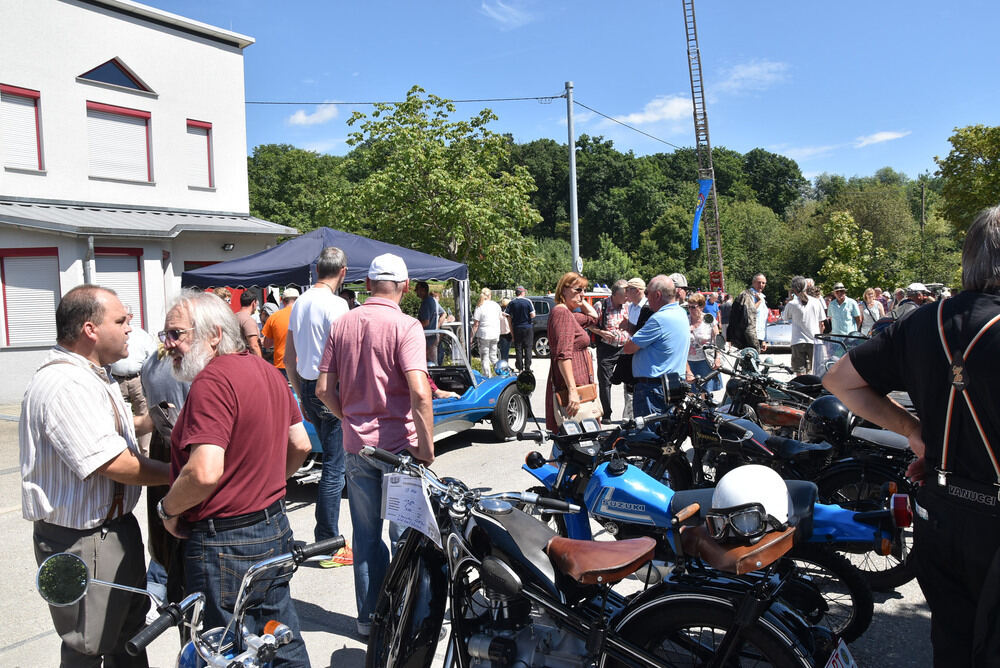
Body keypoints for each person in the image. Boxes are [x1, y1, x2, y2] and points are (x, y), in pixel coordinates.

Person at [822, 205, 1000, 667]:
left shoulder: (923, 321)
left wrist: (916, 434)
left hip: (940, 513)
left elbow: (839, 381)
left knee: (953, 642)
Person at [157, 290, 312, 667]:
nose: (168, 345)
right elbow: (301, 444)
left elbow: (204, 471)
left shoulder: (212, 382)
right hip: (271, 527)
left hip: (224, 540)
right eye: (166, 335)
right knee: (277, 635)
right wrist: (262, 483)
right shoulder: (263, 370)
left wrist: (168, 509)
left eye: (177, 334)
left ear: (213, 335)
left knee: (227, 649)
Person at [20, 285, 169, 667]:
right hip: (84, 540)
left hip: (109, 532)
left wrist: (150, 419)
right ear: (90, 329)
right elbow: (114, 463)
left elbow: (104, 433)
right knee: (89, 643)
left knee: (127, 635)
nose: (130, 329)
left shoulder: (89, 375)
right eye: (120, 321)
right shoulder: (67, 384)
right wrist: (181, 476)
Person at [315, 253, 434, 638]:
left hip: (357, 447)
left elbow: (321, 390)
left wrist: (348, 417)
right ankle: (406, 620)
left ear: (367, 285)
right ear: (402, 286)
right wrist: (427, 447)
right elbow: (420, 392)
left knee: (366, 537)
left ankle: (368, 620)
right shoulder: (407, 326)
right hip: (399, 449)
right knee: (406, 538)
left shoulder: (343, 324)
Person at [285, 247, 354, 568]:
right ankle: (328, 542)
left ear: (316, 271)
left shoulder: (299, 302)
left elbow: (289, 358)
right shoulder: (337, 304)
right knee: (334, 469)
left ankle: (327, 538)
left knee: (331, 462)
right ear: (342, 272)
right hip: (332, 387)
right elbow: (346, 355)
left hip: (309, 386)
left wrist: (302, 395)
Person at [624, 275, 690, 418]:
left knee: (648, 436)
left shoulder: (659, 319)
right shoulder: (681, 313)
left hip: (653, 388)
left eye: (647, 293)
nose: (646, 298)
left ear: (658, 295)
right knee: (666, 435)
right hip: (672, 385)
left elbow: (629, 348)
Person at [545, 272, 599, 430]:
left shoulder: (569, 314)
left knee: (577, 444)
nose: (582, 294)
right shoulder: (562, 313)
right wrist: (572, 391)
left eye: (584, 290)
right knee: (575, 441)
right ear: (563, 290)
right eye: (578, 290)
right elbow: (563, 356)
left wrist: (580, 301)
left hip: (580, 387)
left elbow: (594, 317)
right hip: (573, 388)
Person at [109, 315, 158, 455]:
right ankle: (122, 453)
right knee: (118, 416)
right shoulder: (113, 334)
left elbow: (152, 355)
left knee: (144, 414)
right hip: (116, 380)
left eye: (126, 316)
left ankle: (145, 453)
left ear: (131, 316)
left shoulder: (141, 334)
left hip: (137, 380)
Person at [590, 279, 630, 422]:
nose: (627, 298)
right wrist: (601, 333)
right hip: (606, 349)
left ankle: (629, 415)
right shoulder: (601, 306)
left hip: (625, 347)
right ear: (615, 294)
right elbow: (589, 325)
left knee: (630, 381)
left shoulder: (628, 306)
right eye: (625, 295)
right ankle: (606, 414)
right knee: (605, 381)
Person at [782, 276, 824, 375]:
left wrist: (790, 299)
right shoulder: (816, 302)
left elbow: (785, 318)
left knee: (799, 371)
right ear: (806, 287)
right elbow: (821, 323)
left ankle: (800, 389)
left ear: (793, 289)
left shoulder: (792, 304)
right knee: (815, 370)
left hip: (797, 341)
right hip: (814, 340)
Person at [620, 277, 648, 420]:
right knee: (628, 386)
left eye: (628, 290)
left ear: (637, 291)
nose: (625, 293)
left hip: (642, 352)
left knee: (639, 387)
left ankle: (638, 417)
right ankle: (629, 417)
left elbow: (642, 333)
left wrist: (628, 327)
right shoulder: (630, 307)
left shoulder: (648, 307)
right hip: (631, 350)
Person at [686, 292, 722, 391]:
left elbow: (717, 340)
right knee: (691, 394)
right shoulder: (684, 320)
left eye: (693, 307)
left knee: (706, 394)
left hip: (705, 361)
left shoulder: (709, 319)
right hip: (689, 362)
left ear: (701, 307)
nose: (690, 310)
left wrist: (718, 357)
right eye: (688, 307)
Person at [261, 286, 299, 378]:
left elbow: (267, 344)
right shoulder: (305, 315)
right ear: (298, 299)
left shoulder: (274, 317)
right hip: (303, 364)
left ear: (282, 300)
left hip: (282, 364)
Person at [729, 274, 766, 352]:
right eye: (759, 282)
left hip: (759, 335)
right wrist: (759, 301)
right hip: (748, 336)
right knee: (748, 361)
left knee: (755, 361)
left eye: (763, 283)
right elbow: (748, 313)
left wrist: (763, 340)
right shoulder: (747, 295)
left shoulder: (762, 297)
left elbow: (762, 319)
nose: (761, 285)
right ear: (753, 283)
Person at [472, 287, 503, 378]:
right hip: (495, 333)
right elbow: (500, 318)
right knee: (493, 356)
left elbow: (476, 324)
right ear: (490, 295)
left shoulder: (479, 306)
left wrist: (471, 336)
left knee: (484, 357)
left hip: (483, 334)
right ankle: (501, 372)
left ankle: (487, 376)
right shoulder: (496, 305)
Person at [506, 286, 535, 372]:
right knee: (528, 347)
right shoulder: (528, 301)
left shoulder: (512, 302)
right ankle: (527, 367)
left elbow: (506, 314)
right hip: (527, 327)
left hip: (517, 327)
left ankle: (519, 367)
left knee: (518, 347)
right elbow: (533, 315)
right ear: (522, 293)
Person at [416, 281, 445, 363]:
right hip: (432, 335)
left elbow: (426, 322)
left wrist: (413, 327)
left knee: (429, 363)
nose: (415, 291)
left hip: (428, 337)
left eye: (416, 289)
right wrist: (437, 327)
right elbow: (444, 313)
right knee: (432, 362)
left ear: (423, 290)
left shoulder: (426, 302)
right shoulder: (432, 300)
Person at [235, 290, 262, 356]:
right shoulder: (248, 320)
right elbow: (254, 346)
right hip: (245, 358)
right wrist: (261, 364)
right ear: (254, 303)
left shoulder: (234, 316)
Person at [498, 297, 513, 363]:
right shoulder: (507, 313)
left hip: (501, 333)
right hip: (507, 333)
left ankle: (504, 364)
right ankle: (504, 365)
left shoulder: (499, 312)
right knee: (505, 352)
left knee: (503, 351)